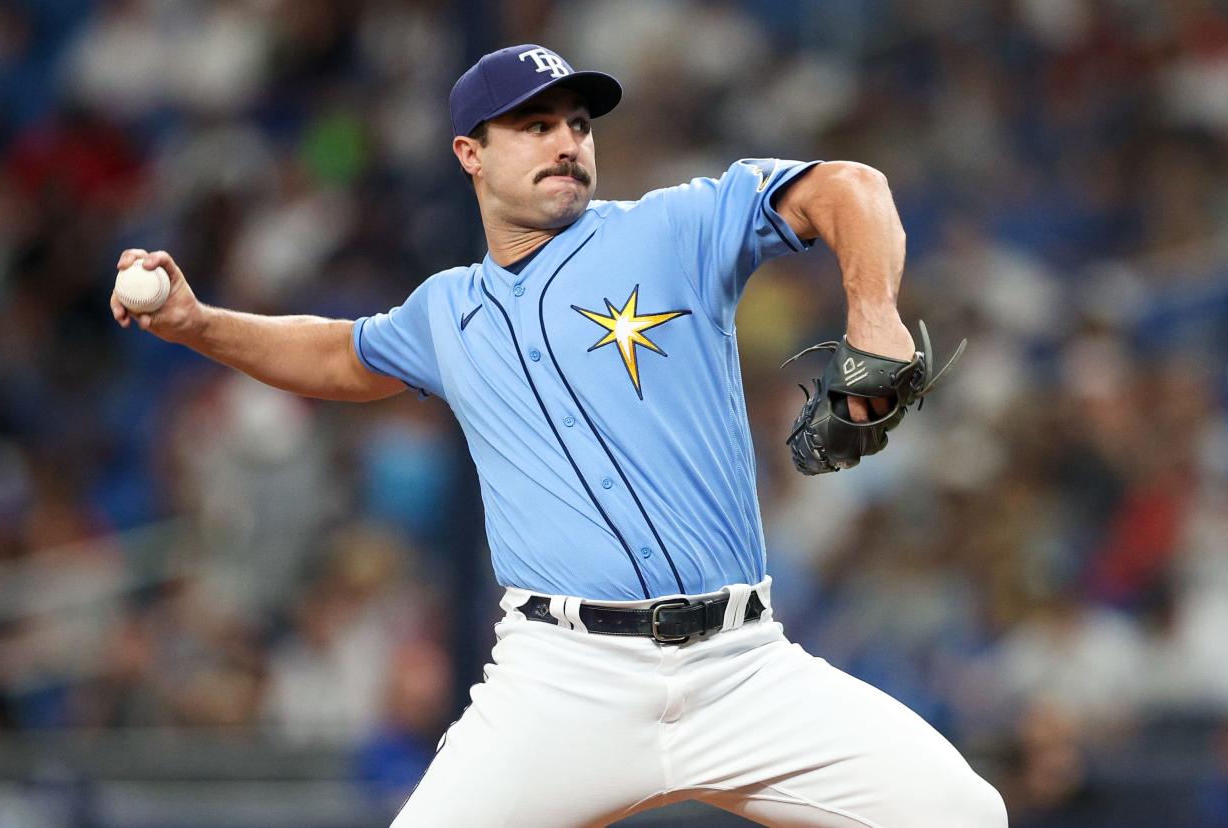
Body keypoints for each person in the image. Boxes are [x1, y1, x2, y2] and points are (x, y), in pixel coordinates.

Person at [111, 44, 1007, 828]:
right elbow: (341, 356)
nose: (566, 141)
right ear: (471, 154)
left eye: (577, 122)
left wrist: (876, 315)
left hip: (741, 666)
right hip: (563, 680)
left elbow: (850, 188)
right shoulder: (447, 311)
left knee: (961, 814)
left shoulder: (675, 228)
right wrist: (197, 324)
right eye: (532, 125)